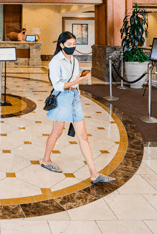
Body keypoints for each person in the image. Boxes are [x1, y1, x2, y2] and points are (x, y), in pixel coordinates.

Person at [40, 31, 115, 184]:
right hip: (62, 99)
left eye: (74, 44)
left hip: (74, 98)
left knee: (83, 136)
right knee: (57, 131)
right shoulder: (55, 61)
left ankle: (94, 173)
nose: (72, 47)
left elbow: (73, 80)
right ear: (61, 45)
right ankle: (46, 160)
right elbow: (58, 85)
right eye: (69, 45)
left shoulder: (74, 60)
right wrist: (78, 80)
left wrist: (79, 77)